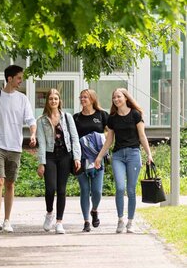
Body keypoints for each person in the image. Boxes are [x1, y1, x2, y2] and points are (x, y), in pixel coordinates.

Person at [0, 65, 36, 233]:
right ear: (9, 78)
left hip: (15, 146)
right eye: (19, 78)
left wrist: (32, 134)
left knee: (10, 184)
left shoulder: (22, 99)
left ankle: (7, 220)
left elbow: (30, 120)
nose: (21, 81)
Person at [95, 88, 153, 234]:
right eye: (114, 97)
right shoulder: (112, 119)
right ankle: (120, 220)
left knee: (131, 190)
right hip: (118, 156)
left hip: (134, 154)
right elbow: (109, 140)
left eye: (119, 96)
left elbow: (142, 136)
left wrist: (149, 155)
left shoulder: (135, 115)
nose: (116, 99)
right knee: (120, 188)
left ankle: (130, 222)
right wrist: (100, 156)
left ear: (126, 98)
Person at [37, 88, 81, 234]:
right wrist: (41, 163)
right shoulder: (42, 121)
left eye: (56, 98)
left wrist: (76, 157)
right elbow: (41, 143)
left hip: (65, 156)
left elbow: (74, 138)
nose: (53, 101)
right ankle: (49, 213)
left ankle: (59, 222)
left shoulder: (67, 117)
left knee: (61, 189)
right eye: (51, 99)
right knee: (50, 188)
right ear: (47, 102)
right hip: (50, 156)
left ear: (59, 101)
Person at [73, 89, 109, 232]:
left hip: (97, 158)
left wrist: (100, 139)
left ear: (92, 99)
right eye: (81, 97)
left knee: (97, 191)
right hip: (81, 158)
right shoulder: (76, 118)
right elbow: (73, 138)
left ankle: (94, 210)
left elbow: (110, 133)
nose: (82, 99)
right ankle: (86, 221)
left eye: (85, 97)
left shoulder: (102, 115)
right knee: (84, 189)